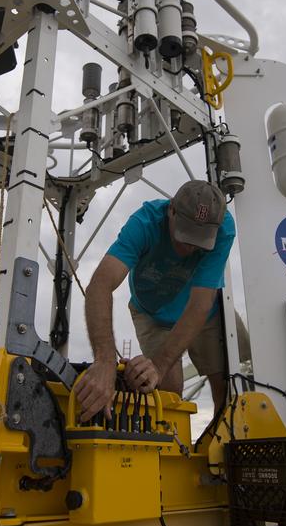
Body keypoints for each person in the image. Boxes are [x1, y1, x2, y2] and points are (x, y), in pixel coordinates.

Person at [72, 180, 236, 422]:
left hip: (203, 310)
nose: (190, 249)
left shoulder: (224, 229)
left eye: (199, 241)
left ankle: (219, 449)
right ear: (171, 210)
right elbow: (100, 285)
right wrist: (105, 361)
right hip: (151, 312)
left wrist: (159, 364)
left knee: (225, 383)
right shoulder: (144, 222)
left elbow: (200, 304)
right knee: (168, 390)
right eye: (185, 237)